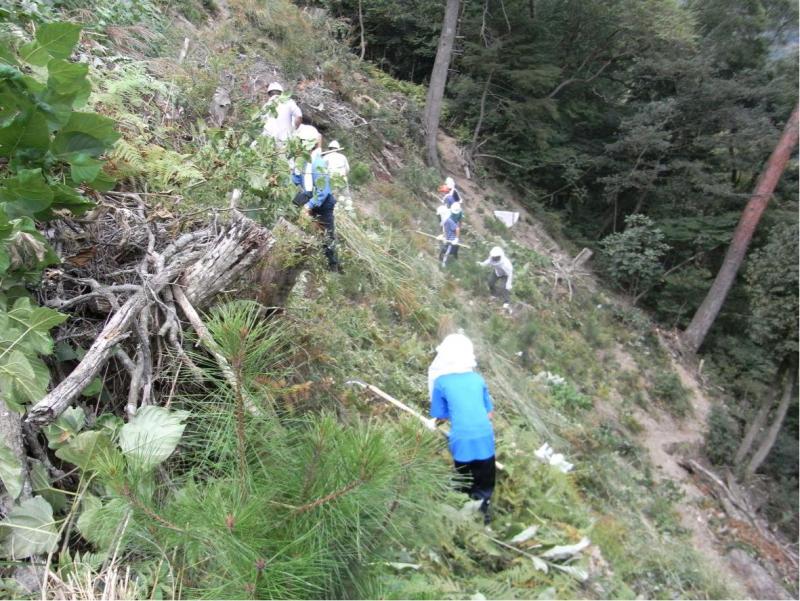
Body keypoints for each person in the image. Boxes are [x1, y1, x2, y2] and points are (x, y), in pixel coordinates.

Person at [428, 333, 496, 524]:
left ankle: (461, 520)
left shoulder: (441, 382)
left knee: (464, 481)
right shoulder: (477, 379)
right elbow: (489, 414)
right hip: (485, 438)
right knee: (484, 484)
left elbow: (440, 416)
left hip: (461, 440)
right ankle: (483, 517)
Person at [291, 127, 340, 271]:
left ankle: (333, 266)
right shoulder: (300, 161)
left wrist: (309, 206)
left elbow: (323, 191)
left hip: (322, 202)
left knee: (327, 235)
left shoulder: (317, 163)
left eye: (301, 142)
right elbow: (295, 178)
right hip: (308, 197)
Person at [478, 246, 513, 313]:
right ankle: (494, 295)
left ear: (500, 256)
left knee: (503, 287)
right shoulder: (492, 258)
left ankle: (506, 303)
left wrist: (509, 284)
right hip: (497, 272)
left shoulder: (506, 264)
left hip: (505, 275)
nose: (494, 258)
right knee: (490, 282)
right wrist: (481, 264)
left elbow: (510, 274)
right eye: (494, 257)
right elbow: (488, 261)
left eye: (496, 257)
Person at [324, 140, 353, 212]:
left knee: (334, 196)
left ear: (329, 148)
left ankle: (336, 211)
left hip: (332, 180)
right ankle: (348, 211)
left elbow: (322, 170)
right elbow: (348, 169)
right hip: (343, 179)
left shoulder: (325, 157)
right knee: (346, 196)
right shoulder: (343, 157)